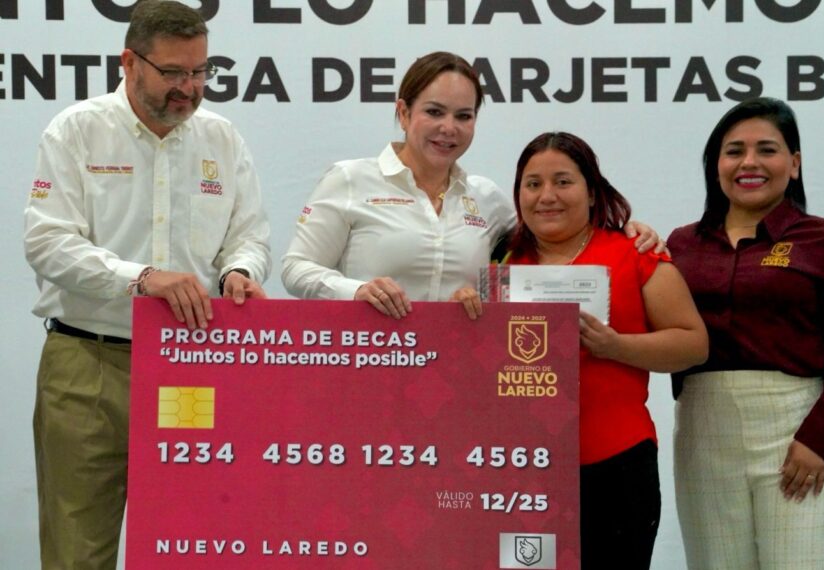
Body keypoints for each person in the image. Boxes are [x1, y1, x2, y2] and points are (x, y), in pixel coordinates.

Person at [23, 1, 271, 568]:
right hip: (88, 367)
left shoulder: (222, 139)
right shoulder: (77, 131)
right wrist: (140, 278)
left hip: (194, 367)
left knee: (191, 545)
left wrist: (240, 272)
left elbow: (250, 237)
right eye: (174, 73)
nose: (189, 88)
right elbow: (47, 243)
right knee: (75, 551)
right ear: (129, 63)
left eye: (200, 72)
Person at [282, 52, 661, 317]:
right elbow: (296, 269)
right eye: (434, 112)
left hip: (458, 380)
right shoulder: (351, 179)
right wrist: (356, 291)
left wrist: (621, 227)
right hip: (370, 367)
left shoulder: (487, 198)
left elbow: (552, 231)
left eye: (463, 116)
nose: (449, 128)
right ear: (403, 112)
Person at [668, 97, 824, 570]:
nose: (750, 163)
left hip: (801, 430)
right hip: (703, 429)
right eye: (734, 150)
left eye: (767, 149)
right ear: (715, 164)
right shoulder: (680, 244)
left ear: (794, 163)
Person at [503, 132, 708, 569]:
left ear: (593, 192)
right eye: (532, 184)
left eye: (563, 181)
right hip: (517, 468)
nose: (547, 196)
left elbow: (693, 344)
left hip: (616, 463)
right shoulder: (498, 263)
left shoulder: (635, 253)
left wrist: (616, 346)